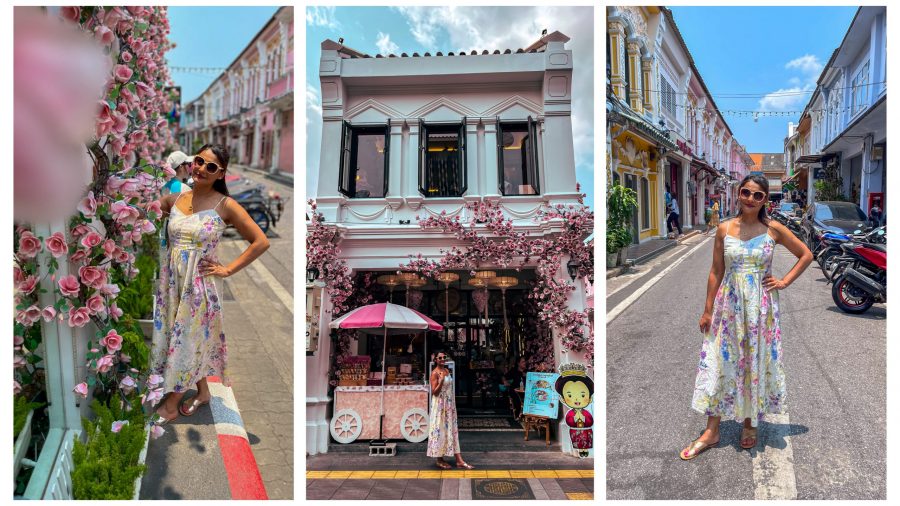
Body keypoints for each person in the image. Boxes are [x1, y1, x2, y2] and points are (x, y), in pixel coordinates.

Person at [681, 174, 812, 460]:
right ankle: (711, 430)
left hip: (761, 309)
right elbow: (716, 271)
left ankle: (750, 422)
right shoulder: (724, 228)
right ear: (739, 193)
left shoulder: (773, 229)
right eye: (746, 192)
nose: (751, 199)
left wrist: (783, 281)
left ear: (765, 200)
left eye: (758, 195)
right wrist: (707, 309)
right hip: (728, 305)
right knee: (720, 361)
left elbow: (806, 255)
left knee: (754, 360)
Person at [149, 144, 270, 425]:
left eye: (211, 166)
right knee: (186, 340)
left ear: (221, 173)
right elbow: (149, 209)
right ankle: (203, 392)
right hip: (172, 284)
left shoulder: (225, 205)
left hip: (199, 287)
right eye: (199, 161)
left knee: (186, 342)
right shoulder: (176, 198)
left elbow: (260, 241)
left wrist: (227, 269)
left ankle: (171, 404)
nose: (202, 168)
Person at [427, 350, 473, 469]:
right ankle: (439, 459)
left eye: (444, 357)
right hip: (439, 406)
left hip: (448, 404)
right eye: (440, 358)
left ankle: (459, 460)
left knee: (451, 430)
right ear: (435, 360)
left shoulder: (447, 371)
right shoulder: (434, 373)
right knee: (440, 430)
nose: (443, 359)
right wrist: (441, 381)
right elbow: (434, 392)